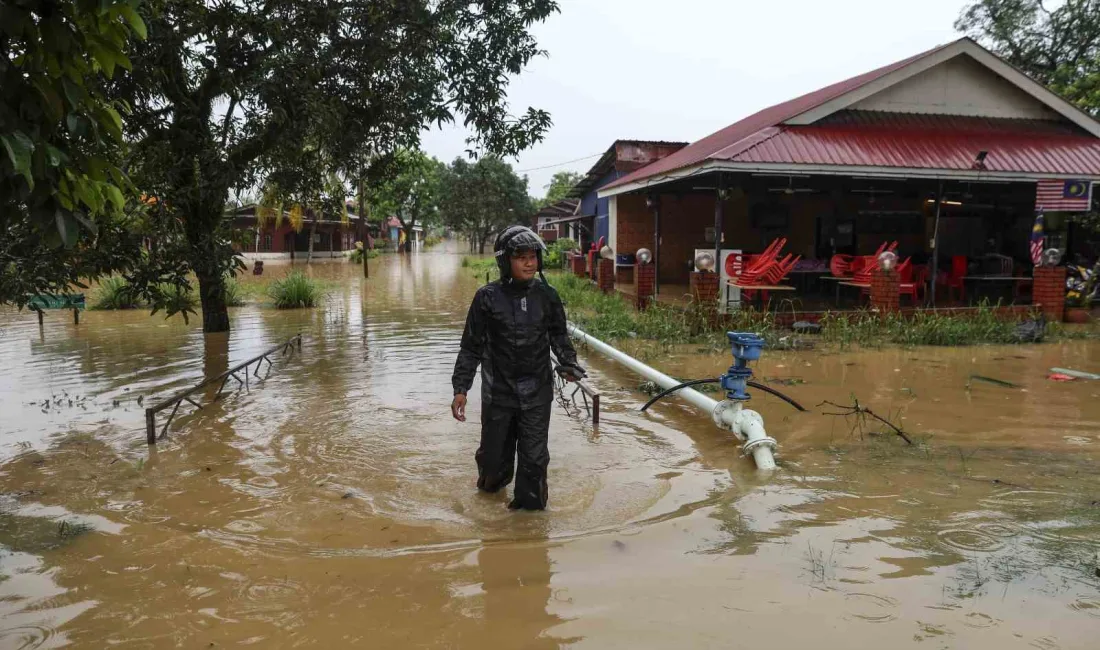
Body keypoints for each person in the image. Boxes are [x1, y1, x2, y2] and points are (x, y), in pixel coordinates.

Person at [451, 225, 586, 511]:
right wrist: (461, 388)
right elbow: (471, 346)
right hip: (498, 394)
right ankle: (488, 513)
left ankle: (529, 526)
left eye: (533, 256)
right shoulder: (486, 298)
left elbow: (559, 337)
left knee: (534, 463)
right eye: (520, 256)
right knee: (493, 465)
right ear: (505, 261)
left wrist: (569, 363)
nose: (529, 263)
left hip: (537, 393)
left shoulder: (547, 296)